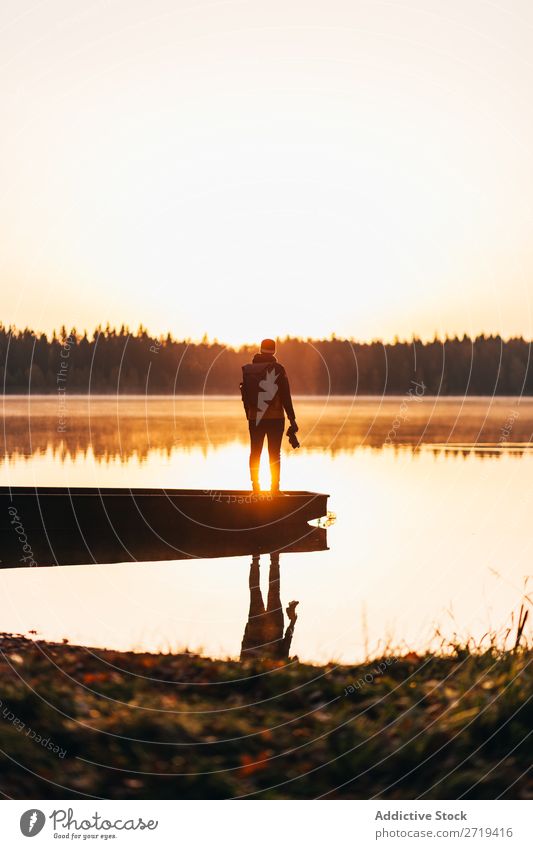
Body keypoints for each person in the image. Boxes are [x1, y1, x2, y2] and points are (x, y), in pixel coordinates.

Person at [240, 338, 298, 494]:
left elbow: (245, 397)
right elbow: (286, 396)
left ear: (260, 349)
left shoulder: (249, 370)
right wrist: (292, 419)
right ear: (274, 351)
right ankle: (275, 489)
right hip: (275, 418)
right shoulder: (278, 369)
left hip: (254, 418)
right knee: (274, 453)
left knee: (255, 451)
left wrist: (249, 416)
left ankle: (256, 488)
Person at [240, 553, 299, 662]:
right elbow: (244, 649)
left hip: (270, 632)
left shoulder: (277, 668)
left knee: (271, 592)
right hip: (259, 633)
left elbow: (286, 645)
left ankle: (273, 559)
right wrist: (247, 631)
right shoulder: (249, 669)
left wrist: (292, 622)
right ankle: (256, 558)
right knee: (257, 591)